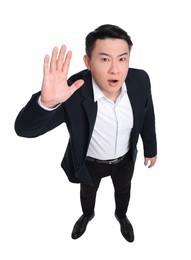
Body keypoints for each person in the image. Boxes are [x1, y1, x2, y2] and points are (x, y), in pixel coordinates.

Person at [15, 24, 157, 242]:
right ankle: (87, 215)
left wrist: (151, 148)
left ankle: (121, 216)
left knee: (123, 190)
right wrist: (47, 102)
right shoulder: (72, 90)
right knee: (87, 193)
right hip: (90, 162)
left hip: (125, 160)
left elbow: (147, 114)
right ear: (88, 62)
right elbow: (24, 130)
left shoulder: (140, 80)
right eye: (104, 59)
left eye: (122, 58)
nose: (115, 70)